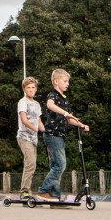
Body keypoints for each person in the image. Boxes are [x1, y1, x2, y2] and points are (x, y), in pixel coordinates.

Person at [37, 69, 89, 201]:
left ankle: (54, 195)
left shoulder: (64, 99)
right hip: (52, 135)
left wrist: (81, 124)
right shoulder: (53, 95)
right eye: (65, 81)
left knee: (55, 166)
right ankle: (43, 190)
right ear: (56, 82)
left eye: (68, 82)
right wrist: (65, 113)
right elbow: (50, 105)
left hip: (59, 136)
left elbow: (69, 119)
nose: (68, 84)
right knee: (61, 165)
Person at [16, 77, 45, 199]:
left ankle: (28, 189)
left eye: (33, 87)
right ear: (24, 89)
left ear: (36, 89)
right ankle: (24, 191)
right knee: (30, 163)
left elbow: (39, 121)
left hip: (33, 139)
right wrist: (36, 129)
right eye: (28, 88)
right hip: (24, 136)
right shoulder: (23, 102)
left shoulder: (37, 104)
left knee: (32, 164)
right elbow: (24, 120)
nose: (31, 90)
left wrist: (46, 132)